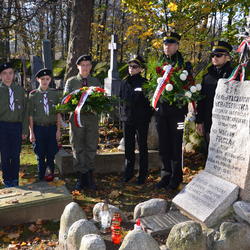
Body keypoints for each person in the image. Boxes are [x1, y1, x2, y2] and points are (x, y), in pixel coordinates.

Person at [155, 32, 191, 190]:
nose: (166, 47)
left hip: (177, 112)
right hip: (161, 111)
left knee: (176, 144)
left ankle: (176, 177)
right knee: (163, 145)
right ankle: (165, 175)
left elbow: (189, 86)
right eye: (165, 44)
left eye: (170, 44)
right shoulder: (158, 64)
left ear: (176, 46)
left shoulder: (184, 65)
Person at [64, 55, 101, 191]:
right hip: (76, 120)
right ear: (78, 66)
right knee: (78, 146)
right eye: (82, 65)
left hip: (92, 119)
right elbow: (65, 99)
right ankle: (81, 177)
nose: (85, 68)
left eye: (88, 65)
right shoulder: (71, 82)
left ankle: (90, 176)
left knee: (91, 146)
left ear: (91, 67)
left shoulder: (95, 81)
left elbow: (101, 99)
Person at [119, 55, 152, 185]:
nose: (131, 69)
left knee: (142, 146)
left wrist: (146, 117)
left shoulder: (145, 83)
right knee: (128, 147)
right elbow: (121, 99)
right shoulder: (124, 82)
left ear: (141, 69)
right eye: (130, 66)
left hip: (141, 120)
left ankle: (142, 174)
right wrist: (122, 116)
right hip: (127, 119)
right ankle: (128, 173)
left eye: (134, 67)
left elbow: (149, 103)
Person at [196, 41, 233, 145]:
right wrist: (199, 121)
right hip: (210, 123)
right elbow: (201, 101)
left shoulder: (234, 76)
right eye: (212, 55)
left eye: (218, 55)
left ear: (227, 57)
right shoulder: (207, 78)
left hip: (228, 125)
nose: (214, 58)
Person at [28, 68, 61, 181]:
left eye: (47, 79)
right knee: (40, 155)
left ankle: (50, 176)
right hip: (38, 128)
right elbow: (30, 115)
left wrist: (58, 130)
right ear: (38, 80)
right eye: (42, 79)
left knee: (51, 154)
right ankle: (41, 177)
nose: (45, 81)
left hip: (51, 128)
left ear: (50, 79)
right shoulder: (33, 95)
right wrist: (31, 132)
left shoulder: (54, 94)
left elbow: (58, 113)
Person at [0, 62, 28, 187]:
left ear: (14, 75)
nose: (8, 76)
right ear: (0, 76)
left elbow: (25, 112)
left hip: (16, 126)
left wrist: (25, 130)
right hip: (2, 126)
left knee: (15, 154)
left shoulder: (19, 90)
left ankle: (15, 179)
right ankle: (7, 180)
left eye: (10, 73)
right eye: (4, 73)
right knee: (5, 155)